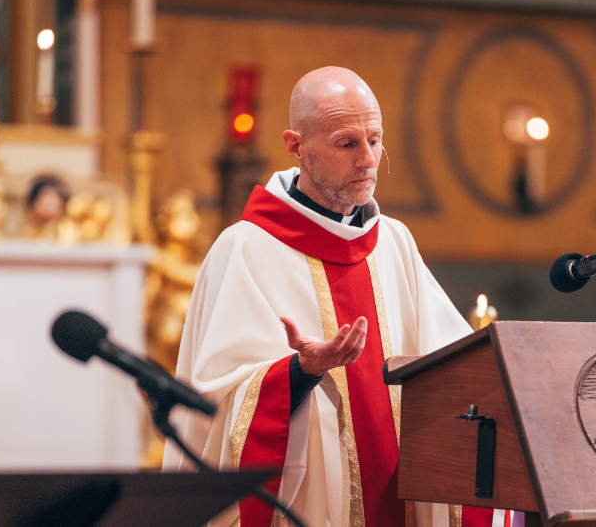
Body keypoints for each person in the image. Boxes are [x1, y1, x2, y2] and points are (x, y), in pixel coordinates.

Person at [165, 67, 505, 527]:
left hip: (404, 493)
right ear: (296, 146)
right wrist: (297, 373)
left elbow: (452, 363)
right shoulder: (246, 249)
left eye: (375, 139)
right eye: (348, 144)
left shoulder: (393, 243)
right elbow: (211, 405)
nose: (368, 159)